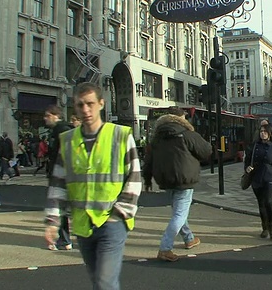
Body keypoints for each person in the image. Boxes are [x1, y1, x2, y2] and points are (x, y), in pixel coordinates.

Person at [45, 83, 141, 290]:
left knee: (105, 282)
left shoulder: (120, 135)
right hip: (83, 222)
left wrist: (120, 213)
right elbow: (59, 183)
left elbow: (134, 177)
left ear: (101, 104)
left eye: (90, 104)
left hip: (112, 221)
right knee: (97, 279)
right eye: (80, 105)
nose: (85, 110)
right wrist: (53, 220)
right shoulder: (68, 140)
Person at [143, 107, 212, 262]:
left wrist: (147, 180)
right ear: (180, 118)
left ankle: (189, 238)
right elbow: (206, 150)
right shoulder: (187, 134)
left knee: (178, 212)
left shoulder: (157, 137)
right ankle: (165, 248)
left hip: (166, 179)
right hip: (184, 179)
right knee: (180, 214)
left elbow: (148, 160)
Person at [244, 124, 272, 240]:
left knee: (268, 202)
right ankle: (264, 227)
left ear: (270, 133)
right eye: (261, 131)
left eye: (265, 131)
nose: (263, 133)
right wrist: (247, 168)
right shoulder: (254, 145)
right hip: (256, 178)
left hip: (269, 178)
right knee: (261, 204)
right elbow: (247, 160)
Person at [43, 105, 74, 251]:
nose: (45, 118)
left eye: (47, 115)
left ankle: (65, 239)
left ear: (56, 116)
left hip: (61, 174)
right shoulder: (62, 129)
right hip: (63, 173)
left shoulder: (60, 130)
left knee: (60, 206)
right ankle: (65, 239)